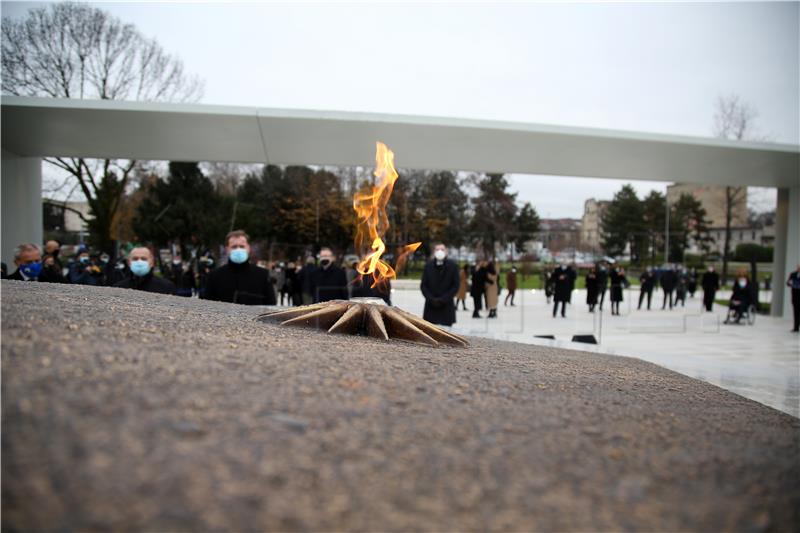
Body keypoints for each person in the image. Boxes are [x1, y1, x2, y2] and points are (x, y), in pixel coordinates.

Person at [203, 230, 277, 305]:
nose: (238, 250)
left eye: (242, 246)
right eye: (234, 247)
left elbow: (271, 306)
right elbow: (206, 306)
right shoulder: (214, 276)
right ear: (227, 249)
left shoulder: (263, 275)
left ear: (248, 248)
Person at [420, 243, 460, 326]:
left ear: (446, 252)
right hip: (431, 307)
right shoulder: (428, 266)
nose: (440, 252)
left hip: (447, 306)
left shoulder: (453, 266)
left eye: (442, 249)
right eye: (437, 249)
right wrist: (431, 299)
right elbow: (423, 285)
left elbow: (455, 285)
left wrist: (443, 299)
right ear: (434, 252)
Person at [786, 264, 800, 332]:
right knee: (796, 312)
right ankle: (796, 327)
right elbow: (788, 283)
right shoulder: (793, 274)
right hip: (795, 295)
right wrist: (791, 284)